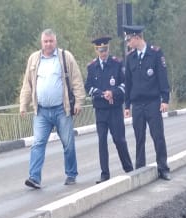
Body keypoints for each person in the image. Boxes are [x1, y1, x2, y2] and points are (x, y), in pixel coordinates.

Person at [19, 29, 85, 189]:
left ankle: (71, 174)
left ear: (55, 42)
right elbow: (27, 84)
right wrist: (23, 105)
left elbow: (76, 80)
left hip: (62, 109)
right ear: (41, 43)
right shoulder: (34, 59)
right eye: (45, 41)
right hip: (41, 111)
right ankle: (34, 177)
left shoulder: (65, 57)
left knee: (68, 143)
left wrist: (78, 102)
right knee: (38, 143)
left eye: (51, 41)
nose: (48, 44)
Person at [122, 25, 171, 180]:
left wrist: (165, 99)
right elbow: (128, 82)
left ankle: (163, 167)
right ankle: (140, 168)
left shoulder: (155, 53)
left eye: (129, 40)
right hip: (137, 104)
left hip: (152, 102)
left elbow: (162, 77)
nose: (128, 43)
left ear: (137, 37)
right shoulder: (130, 58)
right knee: (139, 137)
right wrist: (127, 105)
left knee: (158, 136)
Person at [85, 35, 133, 183]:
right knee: (101, 141)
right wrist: (101, 94)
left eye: (105, 49)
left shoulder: (117, 64)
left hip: (114, 109)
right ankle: (104, 173)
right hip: (100, 109)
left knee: (119, 140)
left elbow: (125, 84)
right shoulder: (92, 67)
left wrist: (113, 92)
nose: (103, 53)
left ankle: (129, 168)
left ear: (108, 49)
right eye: (100, 50)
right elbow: (88, 87)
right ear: (96, 50)